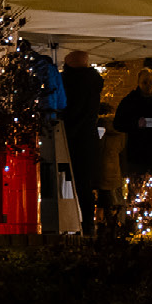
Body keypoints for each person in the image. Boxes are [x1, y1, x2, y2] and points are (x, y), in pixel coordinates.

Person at [59, 50, 105, 231]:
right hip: (88, 138)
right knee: (84, 184)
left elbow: (69, 111)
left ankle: (75, 222)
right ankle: (87, 223)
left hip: (70, 136)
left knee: (63, 180)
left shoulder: (70, 83)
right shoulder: (94, 83)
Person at [112, 66, 152, 186]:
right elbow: (118, 123)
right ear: (139, 83)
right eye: (144, 82)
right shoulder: (130, 101)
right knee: (137, 188)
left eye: (150, 82)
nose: (148, 86)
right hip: (137, 153)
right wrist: (135, 124)